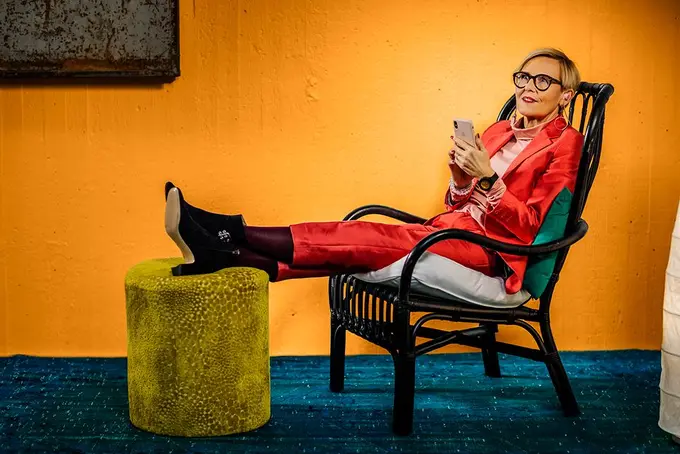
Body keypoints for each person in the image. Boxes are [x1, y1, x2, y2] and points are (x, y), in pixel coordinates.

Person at [164, 47, 584, 296]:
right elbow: (457, 205)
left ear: (565, 96)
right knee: (358, 248)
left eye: (543, 81)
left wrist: (488, 178)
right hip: (452, 230)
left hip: (493, 252)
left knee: (372, 236)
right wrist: (461, 181)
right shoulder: (498, 131)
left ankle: (228, 232)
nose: (528, 86)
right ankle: (226, 255)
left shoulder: (566, 144)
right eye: (524, 77)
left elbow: (530, 227)